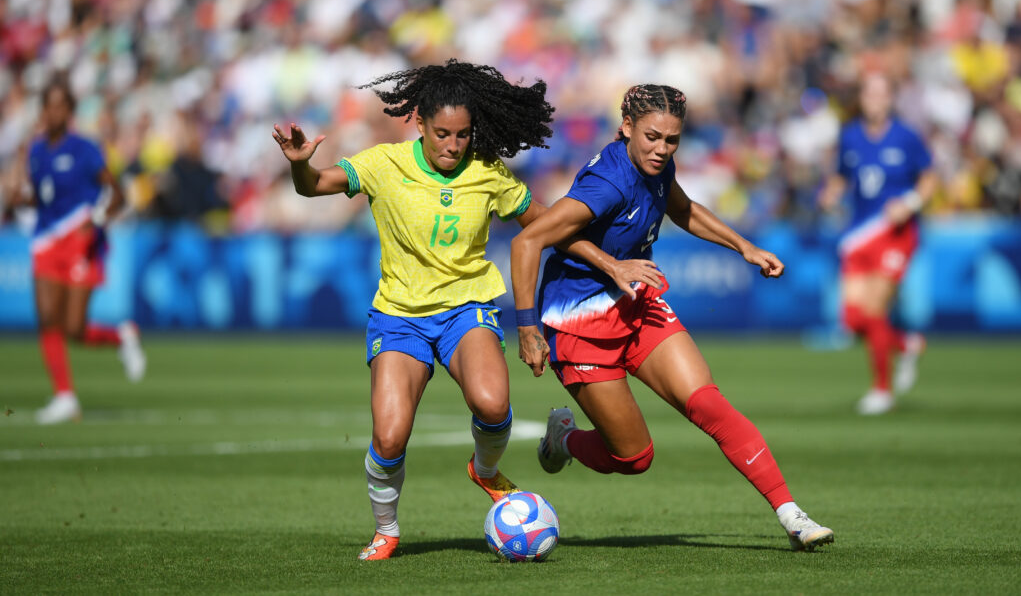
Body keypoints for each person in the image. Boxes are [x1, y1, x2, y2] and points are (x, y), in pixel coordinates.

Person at [270, 60, 631, 562]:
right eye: (443, 133)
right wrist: (298, 163)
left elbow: (548, 225)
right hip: (399, 316)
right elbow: (312, 186)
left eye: (463, 135)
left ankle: (483, 471)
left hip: (468, 308)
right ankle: (387, 529)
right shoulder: (382, 164)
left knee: (492, 405)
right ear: (419, 122)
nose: (453, 145)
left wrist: (608, 262)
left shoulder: (487, 173)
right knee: (390, 435)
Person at [509, 84, 834, 552]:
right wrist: (527, 329)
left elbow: (681, 209)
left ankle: (792, 516)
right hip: (580, 323)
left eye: (672, 140)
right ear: (626, 128)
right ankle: (564, 440)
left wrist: (745, 247)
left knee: (711, 407)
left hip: (637, 306)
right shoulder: (607, 184)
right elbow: (526, 243)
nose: (662, 149)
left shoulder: (656, 167)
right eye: (652, 137)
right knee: (635, 458)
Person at [20, 80, 146, 424]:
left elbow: (117, 193)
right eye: (49, 105)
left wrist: (99, 218)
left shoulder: (85, 149)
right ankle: (65, 396)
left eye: (61, 105)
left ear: (70, 111)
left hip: (80, 240)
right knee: (48, 318)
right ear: (42, 111)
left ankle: (122, 335)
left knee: (75, 328)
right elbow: (40, 196)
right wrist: (21, 199)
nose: (54, 111)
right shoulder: (35, 151)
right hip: (46, 240)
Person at [819, 72, 937, 415]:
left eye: (881, 93)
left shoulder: (906, 136)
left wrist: (911, 203)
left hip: (895, 233)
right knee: (854, 321)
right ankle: (906, 343)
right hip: (859, 235)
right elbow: (841, 176)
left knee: (874, 310)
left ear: (890, 98)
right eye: (869, 93)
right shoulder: (850, 135)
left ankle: (881, 390)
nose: (875, 100)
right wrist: (831, 193)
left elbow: (930, 179)